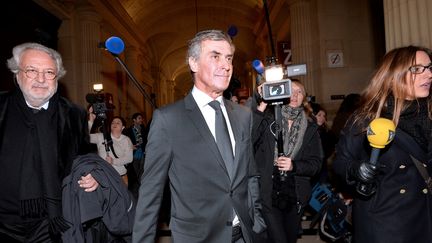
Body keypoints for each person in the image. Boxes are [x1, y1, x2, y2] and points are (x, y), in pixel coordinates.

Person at [132, 29, 266, 243]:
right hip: (197, 238)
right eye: (215, 56)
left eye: (229, 58)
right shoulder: (168, 119)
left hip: (244, 235)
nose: (226, 65)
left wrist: (257, 221)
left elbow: (250, 175)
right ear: (193, 63)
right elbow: (150, 193)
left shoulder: (243, 115)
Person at [332, 45, 432, 243]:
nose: (428, 74)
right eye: (417, 69)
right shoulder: (367, 118)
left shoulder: (429, 114)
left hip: (425, 216)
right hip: (387, 222)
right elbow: (340, 163)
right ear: (394, 75)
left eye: (429, 67)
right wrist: (356, 170)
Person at [0, 42, 98, 242]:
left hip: (53, 222)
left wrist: (93, 174)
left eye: (49, 72)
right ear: (17, 74)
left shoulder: (73, 113)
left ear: (57, 77)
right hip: (2, 222)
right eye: (32, 70)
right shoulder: (2, 107)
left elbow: (84, 156)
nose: (41, 79)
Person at [252, 80, 323, 243]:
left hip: (295, 193)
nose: (295, 95)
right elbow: (249, 139)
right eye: (291, 90)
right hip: (269, 192)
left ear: (304, 98)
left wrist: (294, 165)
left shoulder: (310, 128)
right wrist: (262, 105)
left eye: (299, 92)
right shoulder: (269, 119)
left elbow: (316, 163)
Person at [88, 113, 133, 185]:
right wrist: (91, 121)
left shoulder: (126, 140)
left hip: (120, 177)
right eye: (113, 122)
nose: (115, 124)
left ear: (123, 127)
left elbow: (129, 158)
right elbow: (84, 137)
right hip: (104, 176)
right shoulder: (101, 137)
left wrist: (113, 161)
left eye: (118, 123)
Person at [124, 112, 148, 192]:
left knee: (142, 172)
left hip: (143, 154)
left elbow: (146, 140)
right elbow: (125, 143)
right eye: (139, 118)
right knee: (135, 173)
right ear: (134, 120)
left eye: (141, 118)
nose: (141, 120)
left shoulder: (143, 129)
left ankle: (142, 188)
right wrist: (131, 147)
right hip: (133, 155)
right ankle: (136, 190)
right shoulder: (128, 130)